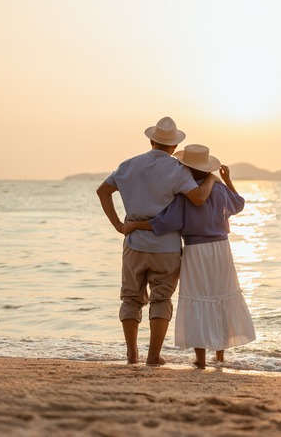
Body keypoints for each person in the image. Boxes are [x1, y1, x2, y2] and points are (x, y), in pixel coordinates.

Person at [96, 117, 218, 365]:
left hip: (134, 242)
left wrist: (118, 225)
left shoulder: (128, 165)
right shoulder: (177, 169)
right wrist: (210, 179)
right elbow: (197, 199)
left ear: (151, 140)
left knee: (131, 298)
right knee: (161, 299)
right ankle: (153, 356)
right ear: (174, 147)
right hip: (166, 246)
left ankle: (132, 354)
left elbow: (103, 191)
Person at [123, 144, 256, 369]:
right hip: (222, 250)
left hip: (196, 251)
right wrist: (227, 180)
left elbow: (164, 223)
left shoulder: (185, 195)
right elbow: (239, 204)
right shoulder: (221, 190)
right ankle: (220, 356)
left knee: (198, 299)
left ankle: (201, 359)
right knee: (220, 296)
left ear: (187, 168)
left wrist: (136, 224)